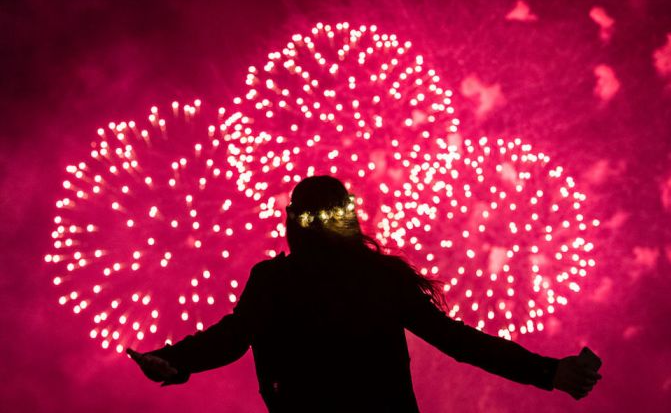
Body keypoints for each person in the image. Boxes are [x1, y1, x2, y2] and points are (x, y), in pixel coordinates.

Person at [128, 175, 601, 412]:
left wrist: (177, 361)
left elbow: (231, 339)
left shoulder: (277, 279)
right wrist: (549, 371)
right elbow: (459, 342)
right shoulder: (377, 276)